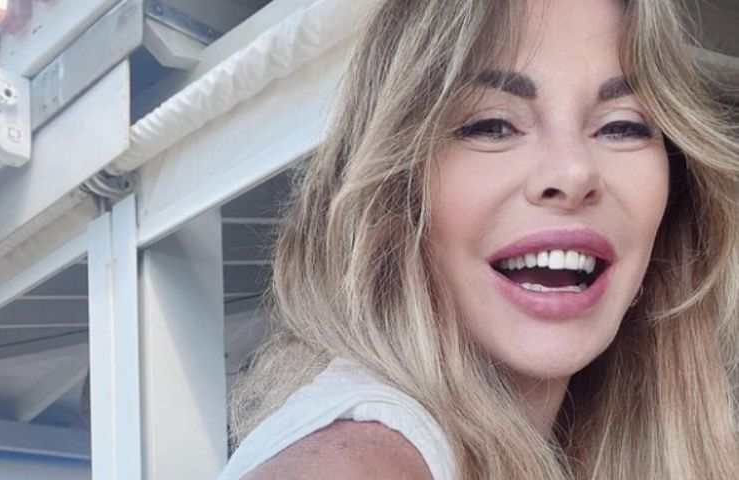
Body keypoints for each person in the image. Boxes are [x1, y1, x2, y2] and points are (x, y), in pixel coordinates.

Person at [221, 0, 739, 478]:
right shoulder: (354, 461)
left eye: (623, 127)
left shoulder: (647, 433)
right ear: (395, 188)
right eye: (491, 125)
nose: (574, 172)